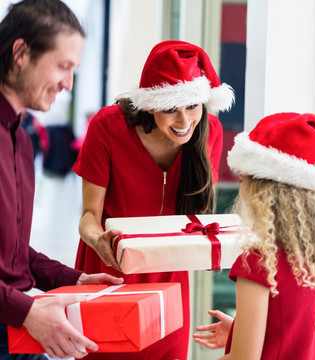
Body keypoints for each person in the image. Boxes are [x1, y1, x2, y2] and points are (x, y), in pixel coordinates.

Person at [73, 40, 234, 359]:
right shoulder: (107, 127)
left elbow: (197, 218)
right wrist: (98, 240)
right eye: (170, 108)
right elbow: (88, 216)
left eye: (192, 106)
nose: (184, 120)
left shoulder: (209, 133)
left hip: (169, 284)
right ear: (150, 104)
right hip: (108, 272)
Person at [0, 1, 124, 359]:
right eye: (63, 66)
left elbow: (10, 254)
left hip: (18, 333)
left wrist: (74, 279)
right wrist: (27, 310)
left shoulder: (21, 142)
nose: (68, 84)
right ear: (21, 53)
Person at [193, 112, 315, 359]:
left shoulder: (260, 263)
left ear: (262, 191)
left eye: (243, 179)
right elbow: (296, 334)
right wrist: (240, 330)